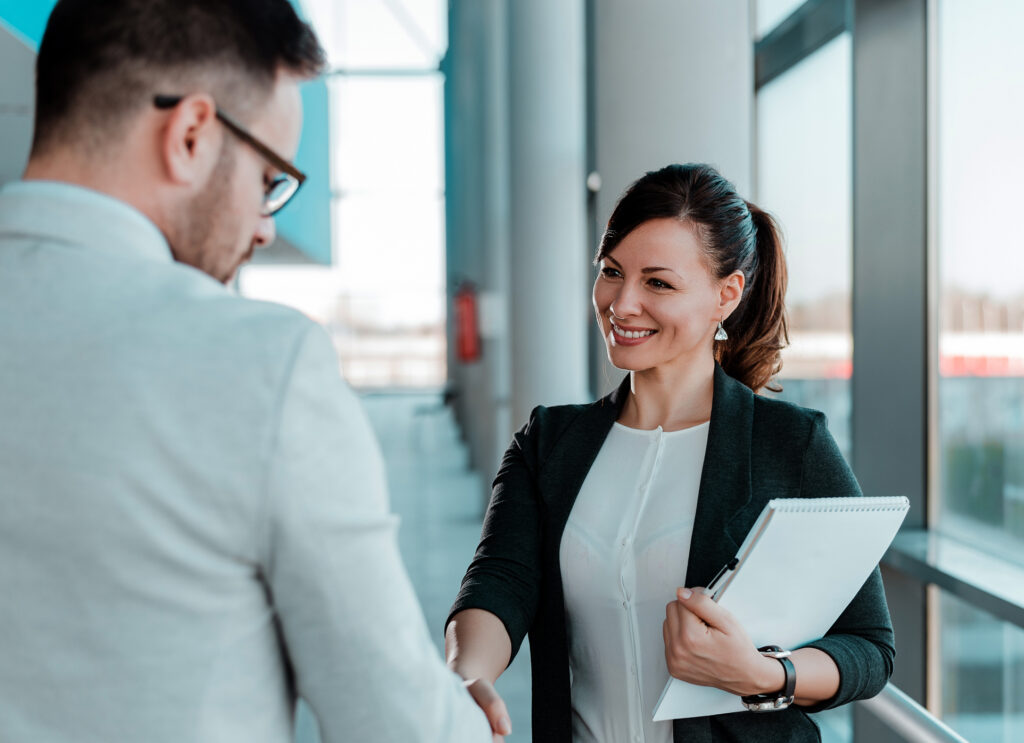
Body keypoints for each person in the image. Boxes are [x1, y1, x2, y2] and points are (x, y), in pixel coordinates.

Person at [0, 1, 492, 741]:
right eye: (268, 177)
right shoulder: (260, 363)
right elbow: (396, 722)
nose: (265, 225)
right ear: (191, 134)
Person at [445, 164, 895, 742]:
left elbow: (869, 648)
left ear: (726, 295)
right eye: (612, 273)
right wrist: (466, 676)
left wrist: (761, 673)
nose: (622, 303)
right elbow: (499, 580)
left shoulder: (791, 444)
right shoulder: (549, 442)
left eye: (658, 283)